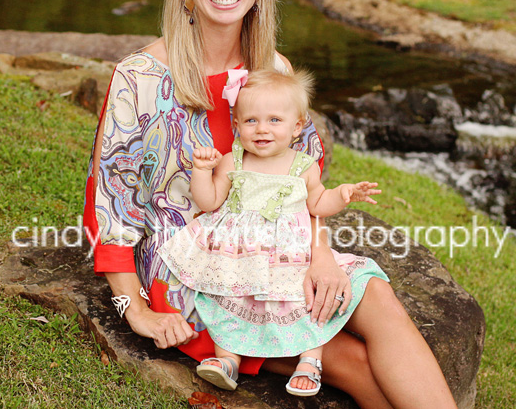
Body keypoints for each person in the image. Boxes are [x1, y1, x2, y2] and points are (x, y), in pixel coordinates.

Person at [84, 0, 457, 408]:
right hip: (198, 270)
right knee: (350, 361)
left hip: (282, 252)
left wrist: (322, 257)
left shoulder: (272, 69)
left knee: (378, 300)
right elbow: (111, 208)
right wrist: (136, 311)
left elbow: (302, 184)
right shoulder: (140, 79)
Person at [157, 69, 384, 396]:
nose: (262, 129)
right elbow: (209, 201)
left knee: (303, 298)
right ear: (237, 125)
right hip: (237, 251)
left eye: (274, 120)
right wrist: (202, 172)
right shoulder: (231, 161)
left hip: (287, 252)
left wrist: (343, 194)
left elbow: (318, 202)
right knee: (229, 296)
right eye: (251, 121)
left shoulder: (303, 165)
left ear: (296, 126)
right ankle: (228, 359)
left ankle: (309, 360)